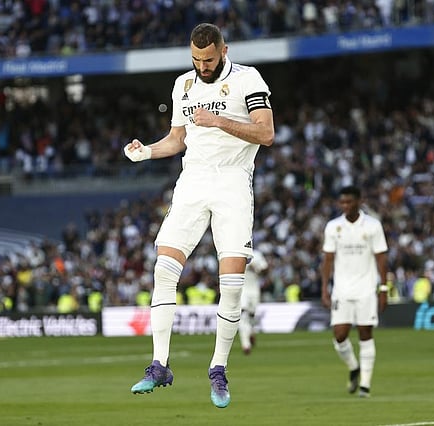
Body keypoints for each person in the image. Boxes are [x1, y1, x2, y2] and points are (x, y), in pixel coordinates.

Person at [124, 22, 274, 408]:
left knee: (233, 283)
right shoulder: (183, 85)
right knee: (163, 269)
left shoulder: (248, 79)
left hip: (233, 182)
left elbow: (266, 133)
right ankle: (159, 365)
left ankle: (218, 369)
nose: (201, 66)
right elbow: (177, 139)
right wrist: (146, 151)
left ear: (224, 51)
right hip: (193, 180)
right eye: (195, 59)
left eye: (207, 59)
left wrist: (219, 120)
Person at [320, 185, 388, 398]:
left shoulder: (373, 226)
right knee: (340, 335)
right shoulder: (333, 227)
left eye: (349, 202)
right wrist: (324, 289)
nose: (345, 206)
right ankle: (353, 367)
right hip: (341, 289)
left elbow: (381, 258)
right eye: (342, 202)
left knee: (365, 333)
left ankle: (365, 385)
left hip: (366, 288)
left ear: (359, 201)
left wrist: (383, 288)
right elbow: (328, 260)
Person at [239, 249, 268, 355]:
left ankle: (251, 332)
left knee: (251, 315)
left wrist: (256, 268)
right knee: (243, 315)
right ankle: (246, 345)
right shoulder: (238, 252)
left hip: (254, 290)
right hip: (242, 289)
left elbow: (265, 270)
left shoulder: (257, 255)